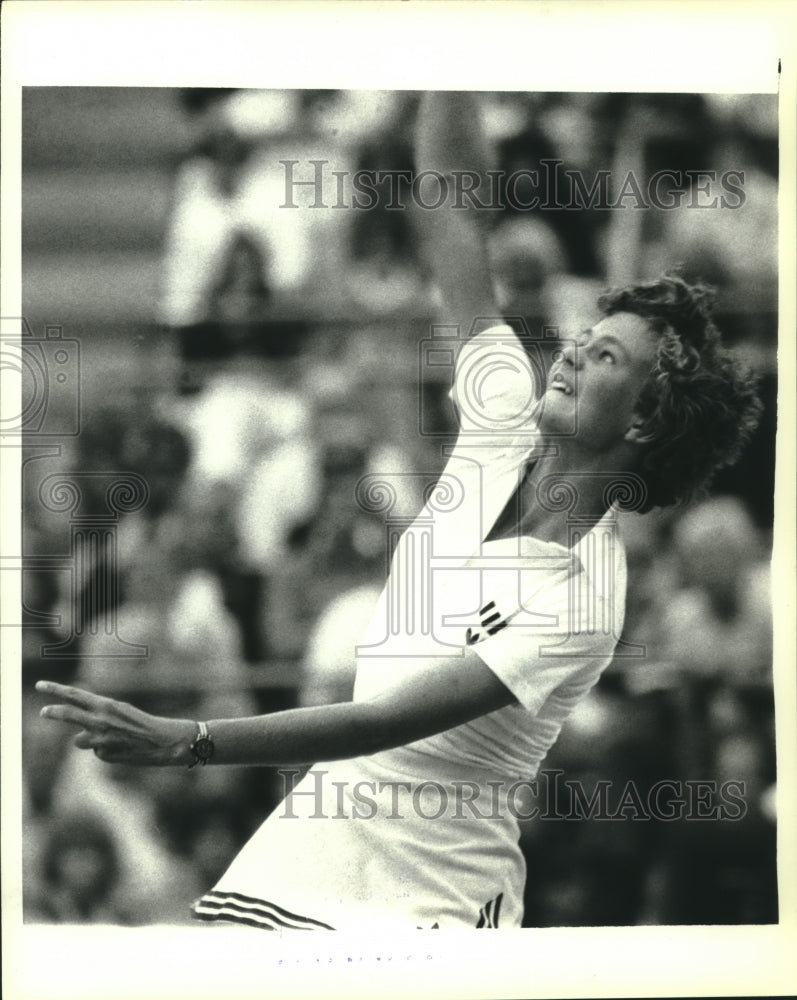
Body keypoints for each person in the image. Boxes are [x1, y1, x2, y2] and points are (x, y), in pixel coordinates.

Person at [36, 92, 762, 930]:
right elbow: (452, 205)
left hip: (431, 906)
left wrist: (192, 737)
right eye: (585, 336)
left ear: (641, 418)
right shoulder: (503, 415)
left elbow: (384, 720)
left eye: (602, 357)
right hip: (316, 846)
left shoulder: (581, 596)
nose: (569, 353)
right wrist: (442, 53)